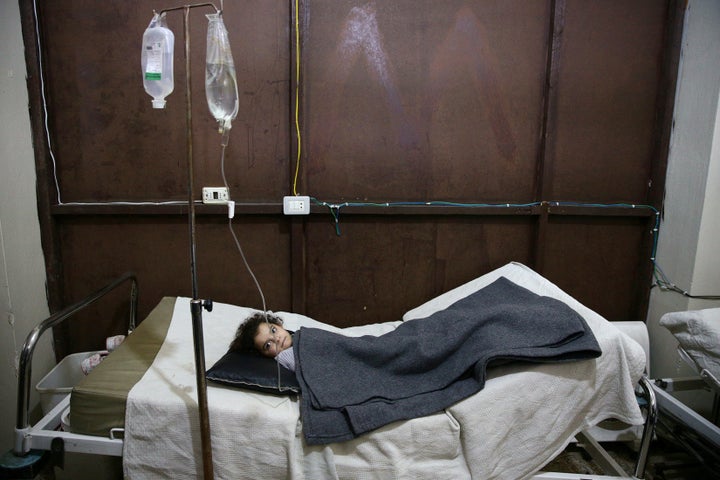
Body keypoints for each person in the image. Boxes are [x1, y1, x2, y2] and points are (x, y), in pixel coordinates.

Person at [229, 312, 295, 371]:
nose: (277, 339)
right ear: (264, 355)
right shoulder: (285, 357)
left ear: (279, 325)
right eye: (268, 344)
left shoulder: (298, 334)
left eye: (273, 330)